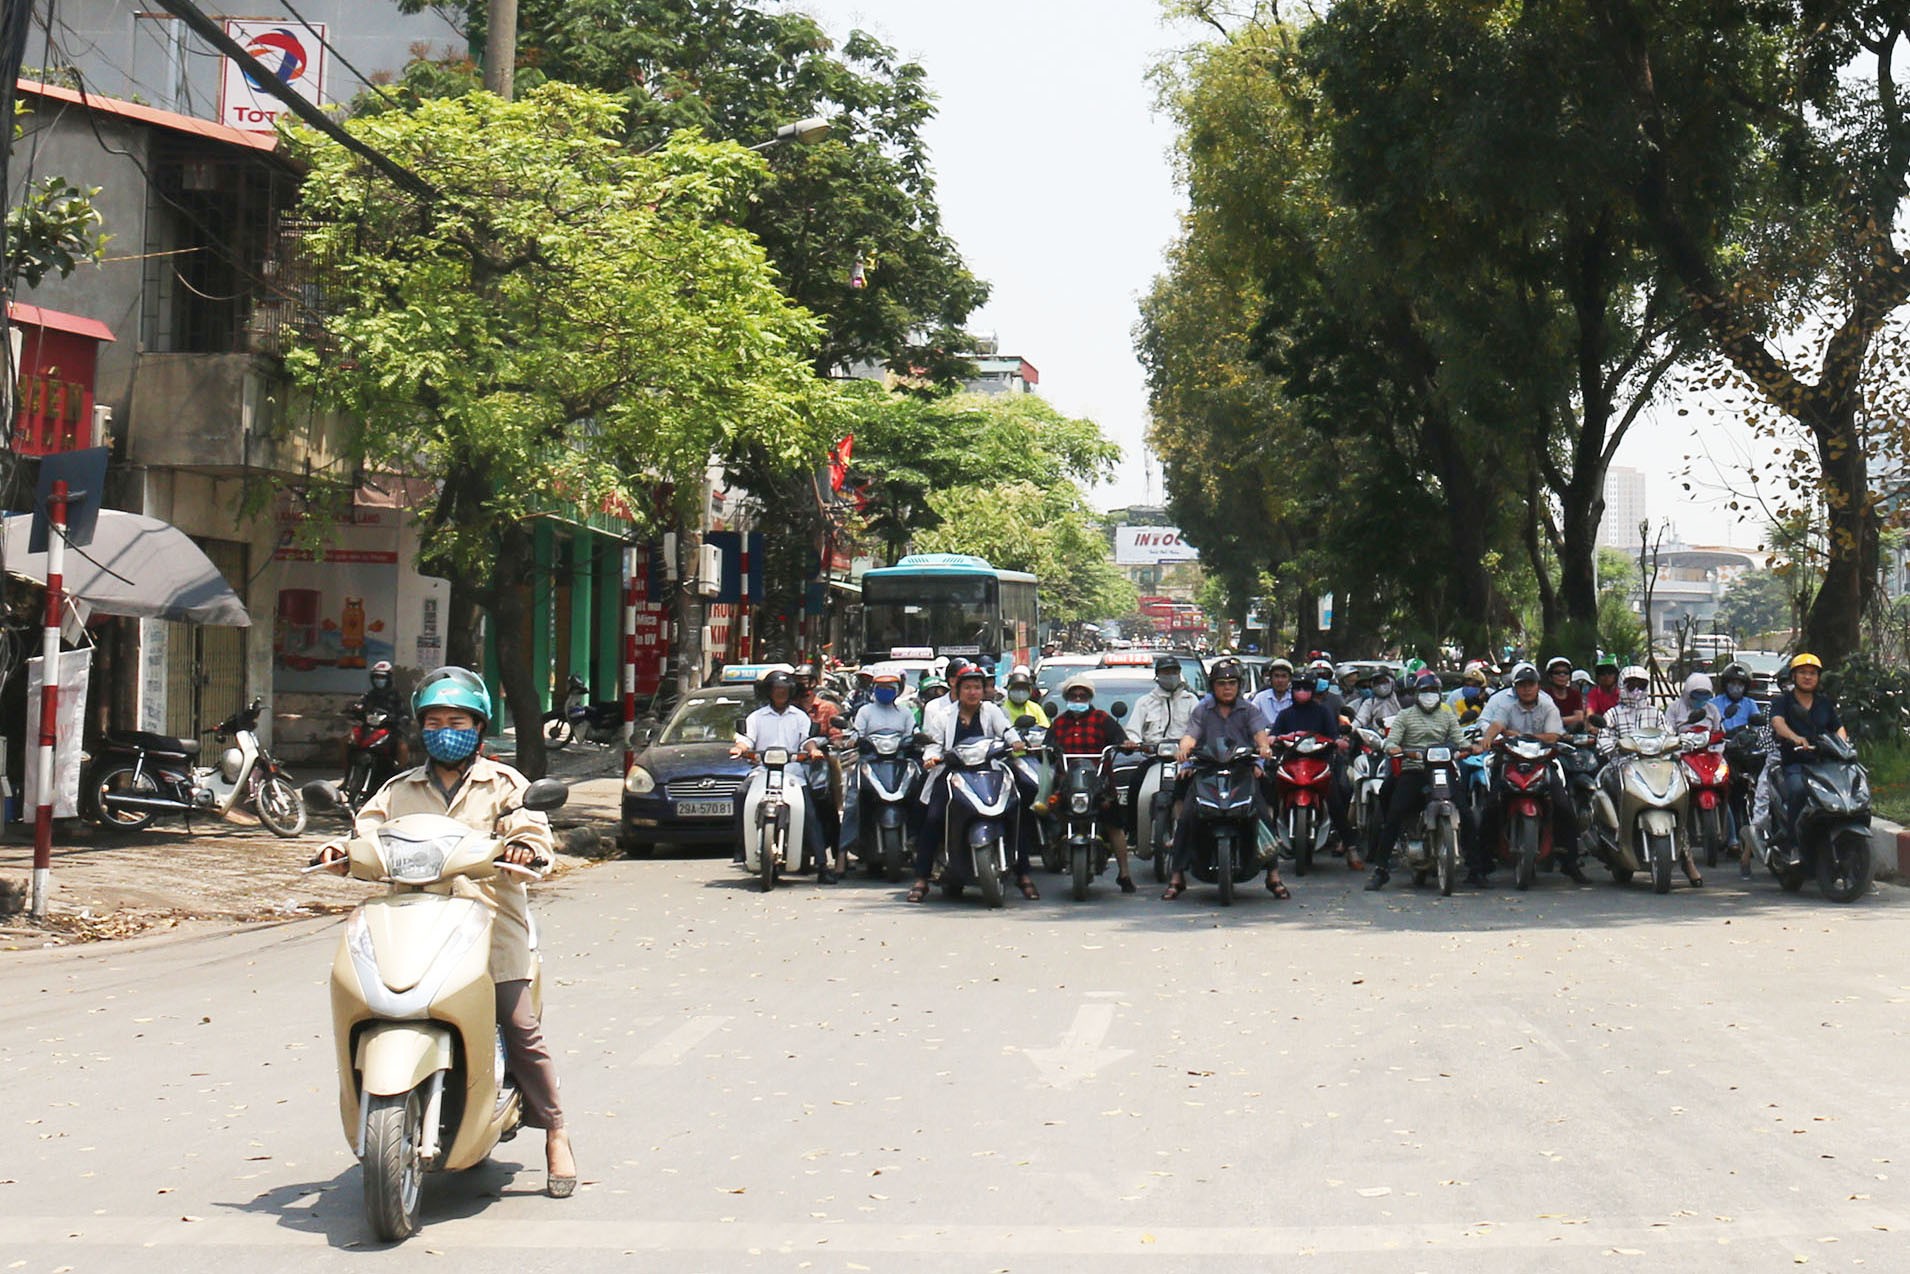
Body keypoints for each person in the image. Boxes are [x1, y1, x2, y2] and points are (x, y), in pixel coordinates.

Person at [313, 666, 575, 1197]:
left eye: (457, 720)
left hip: (488, 923)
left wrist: (525, 848)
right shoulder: (398, 789)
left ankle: (556, 1131)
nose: (444, 730)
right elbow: (365, 831)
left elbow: (531, 829)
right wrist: (340, 852)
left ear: (478, 728)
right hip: (411, 920)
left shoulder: (505, 786)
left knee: (520, 1027)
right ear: (420, 729)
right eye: (434, 721)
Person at [908, 664, 1035, 902]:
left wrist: (1016, 742)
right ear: (957, 688)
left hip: (990, 771)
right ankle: (921, 879)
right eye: (967, 687)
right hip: (952, 774)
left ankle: (1024, 874)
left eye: (977, 687)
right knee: (934, 817)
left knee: (1017, 810)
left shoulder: (992, 711)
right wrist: (931, 758)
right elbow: (933, 745)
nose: (973, 692)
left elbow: (1008, 731)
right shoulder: (943, 715)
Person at [1163, 659, 1279, 900]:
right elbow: (1190, 737)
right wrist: (1184, 753)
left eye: (1232, 683)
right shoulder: (1202, 710)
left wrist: (1263, 751)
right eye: (1221, 683)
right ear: (1212, 686)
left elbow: (1260, 736)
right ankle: (1177, 875)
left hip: (1242, 769)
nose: (1227, 688)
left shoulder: (1249, 710)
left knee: (1263, 812)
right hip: (1206, 769)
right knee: (1187, 816)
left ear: (1239, 685)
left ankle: (1273, 875)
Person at [1365, 673, 1477, 889]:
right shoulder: (1405, 716)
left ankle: (1476, 869)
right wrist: (1398, 750)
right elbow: (1391, 742)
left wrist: (1468, 748)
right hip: (1413, 771)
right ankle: (1381, 869)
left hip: (1443, 771)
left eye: (1433, 692)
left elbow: (1459, 740)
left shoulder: (1447, 716)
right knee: (1395, 813)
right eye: (1425, 692)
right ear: (1417, 694)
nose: (1429, 696)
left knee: (1466, 812)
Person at [1595, 664, 1703, 886]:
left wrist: (1684, 740)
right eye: (1631, 685)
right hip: (1623, 767)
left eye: (1641, 685)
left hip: (1657, 765)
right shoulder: (1612, 714)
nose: (1636, 690)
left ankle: (1687, 858)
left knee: (1680, 796)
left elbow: (1670, 736)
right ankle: (1616, 835)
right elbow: (1603, 738)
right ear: (1622, 687)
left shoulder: (1655, 713)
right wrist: (1611, 745)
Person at [1480, 661, 1587, 883]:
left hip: (1541, 764)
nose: (1527, 689)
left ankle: (1570, 862)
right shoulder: (1506, 706)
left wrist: (1518, 735)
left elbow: (1553, 736)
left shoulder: (1548, 706)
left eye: (1531, 684)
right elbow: (1496, 725)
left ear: (1538, 686)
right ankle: (1482, 864)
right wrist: (1489, 737)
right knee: (1490, 805)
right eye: (1522, 685)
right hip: (1510, 763)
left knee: (1564, 807)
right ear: (1515, 688)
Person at [732, 670, 840, 884]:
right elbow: (747, 740)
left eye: (784, 690)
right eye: (776, 689)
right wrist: (739, 748)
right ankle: (741, 846)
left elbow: (806, 741)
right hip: (763, 771)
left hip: (793, 773)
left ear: (790, 692)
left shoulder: (799, 716)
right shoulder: (757, 717)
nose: (780, 693)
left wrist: (812, 751)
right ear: (769, 692)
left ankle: (821, 865)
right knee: (740, 794)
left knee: (809, 812)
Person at [1047, 676, 1138, 893]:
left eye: (1083, 695)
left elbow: (1121, 741)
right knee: (1048, 810)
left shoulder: (1102, 719)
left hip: (1099, 784)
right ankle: (1053, 848)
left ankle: (1124, 873)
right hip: (1067, 784)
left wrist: (1126, 744)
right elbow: (1047, 749)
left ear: (1089, 698)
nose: (1078, 698)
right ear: (1067, 698)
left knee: (1114, 824)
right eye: (1074, 695)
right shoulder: (1058, 723)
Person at [1769, 652, 1847, 846]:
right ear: (1793, 676)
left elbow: (1838, 727)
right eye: (1802, 672)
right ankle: (1792, 841)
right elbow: (1778, 723)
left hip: (1823, 764)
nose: (1807, 676)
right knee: (1799, 791)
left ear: (1818, 677)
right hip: (1796, 763)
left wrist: (1842, 744)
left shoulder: (1824, 703)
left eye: (1812, 673)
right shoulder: (1782, 702)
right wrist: (1794, 737)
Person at [1715, 661, 1761, 878]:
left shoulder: (1751, 704)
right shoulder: (1715, 704)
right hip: (1724, 754)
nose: (1736, 687)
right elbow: (1711, 728)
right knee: (1728, 795)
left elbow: (1758, 728)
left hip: (1747, 755)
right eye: (1732, 683)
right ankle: (1732, 839)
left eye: (1740, 683)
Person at [344, 660, 410, 771]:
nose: (379, 680)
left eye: (382, 677)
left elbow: (404, 713)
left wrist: (401, 718)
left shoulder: (396, 696)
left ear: (388, 678)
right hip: (368, 730)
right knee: (346, 741)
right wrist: (356, 709)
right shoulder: (369, 695)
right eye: (376, 677)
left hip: (389, 730)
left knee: (402, 745)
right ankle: (347, 772)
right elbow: (360, 705)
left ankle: (400, 773)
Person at [1351, 668, 1405, 734]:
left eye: (1384, 682)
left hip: (1399, 734)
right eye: (1377, 683)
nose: (1381, 686)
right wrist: (1351, 728)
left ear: (1392, 681)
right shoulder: (1370, 702)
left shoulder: (1400, 699)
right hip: (1377, 737)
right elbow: (1360, 719)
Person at [1542, 656, 1587, 731]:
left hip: (1573, 734)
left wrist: (1554, 721)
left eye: (1566, 673)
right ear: (1550, 677)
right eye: (1557, 673)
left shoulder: (1575, 694)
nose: (1562, 675)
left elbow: (1579, 718)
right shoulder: (1544, 695)